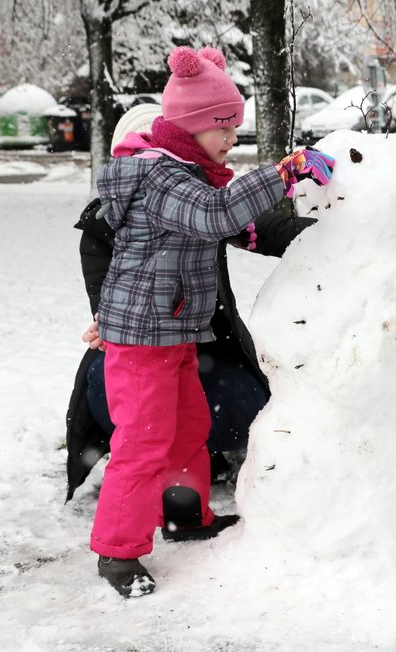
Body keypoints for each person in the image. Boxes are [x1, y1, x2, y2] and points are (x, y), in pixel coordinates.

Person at [82, 45, 335, 598]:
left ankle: (184, 516)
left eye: (234, 129)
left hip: (171, 333)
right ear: (191, 126)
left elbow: (238, 220)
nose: (230, 140)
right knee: (143, 443)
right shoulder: (160, 179)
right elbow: (215, 214)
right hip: (141, 338)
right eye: (223, 128)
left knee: (189, 427)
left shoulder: (187, 174)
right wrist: (281, 171)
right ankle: (116, 553)